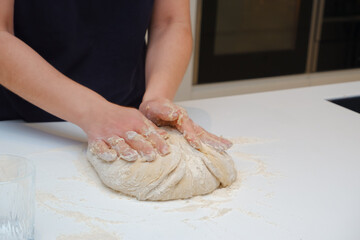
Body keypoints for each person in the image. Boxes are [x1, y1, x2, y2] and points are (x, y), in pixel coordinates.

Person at [0, 0, 232, 162]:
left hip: (129, 119)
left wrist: (157, 96)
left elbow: (170, 22)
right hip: (21, 126)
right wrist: (94, 112)